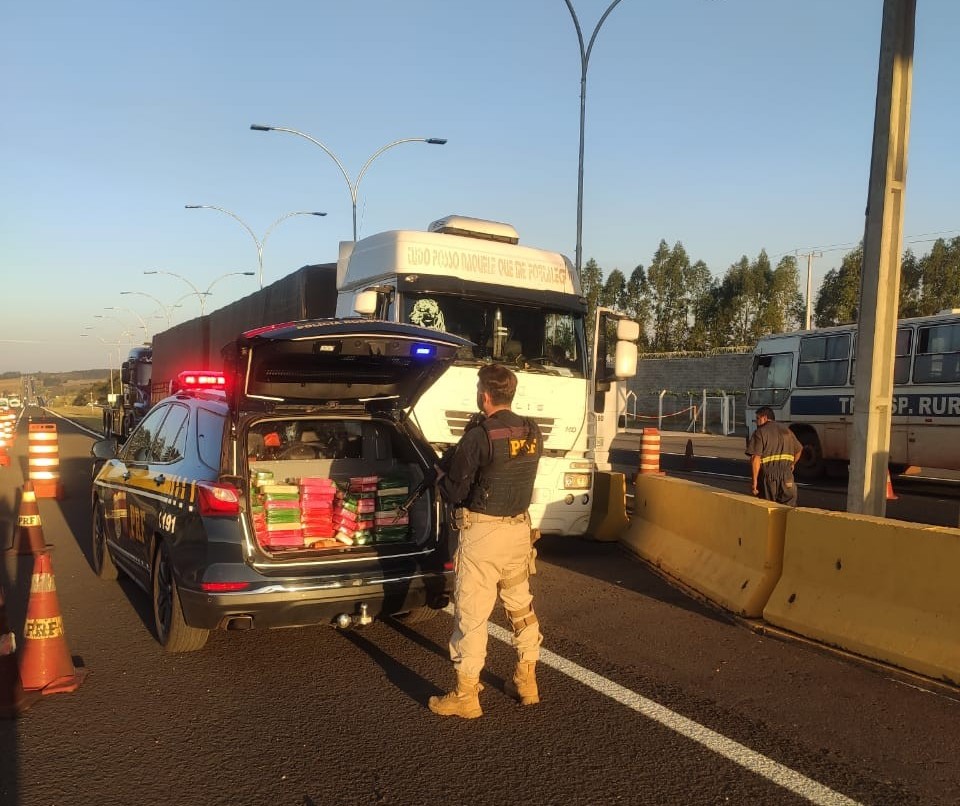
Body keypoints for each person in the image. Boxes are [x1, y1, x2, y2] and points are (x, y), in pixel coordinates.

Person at [429, 364, 543, 719]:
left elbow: (455, 489)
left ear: (484, 395)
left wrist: (438, 476)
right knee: (520, 606)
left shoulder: (479, 436)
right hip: (520, 532)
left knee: (473, 614)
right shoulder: (532, 430)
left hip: (484, 535)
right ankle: (527, 680)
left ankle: (466, 695)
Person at [746, 406, 804, 506]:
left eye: (757, 419)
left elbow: (756, 459)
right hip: (787, 477)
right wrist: (792, 463)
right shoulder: (787, 431)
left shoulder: (760, 432)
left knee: (769, 509)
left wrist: (754, 482)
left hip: (769, 478)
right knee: (788, 510)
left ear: (764, 417)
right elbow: (799, 449)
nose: (756, 422)